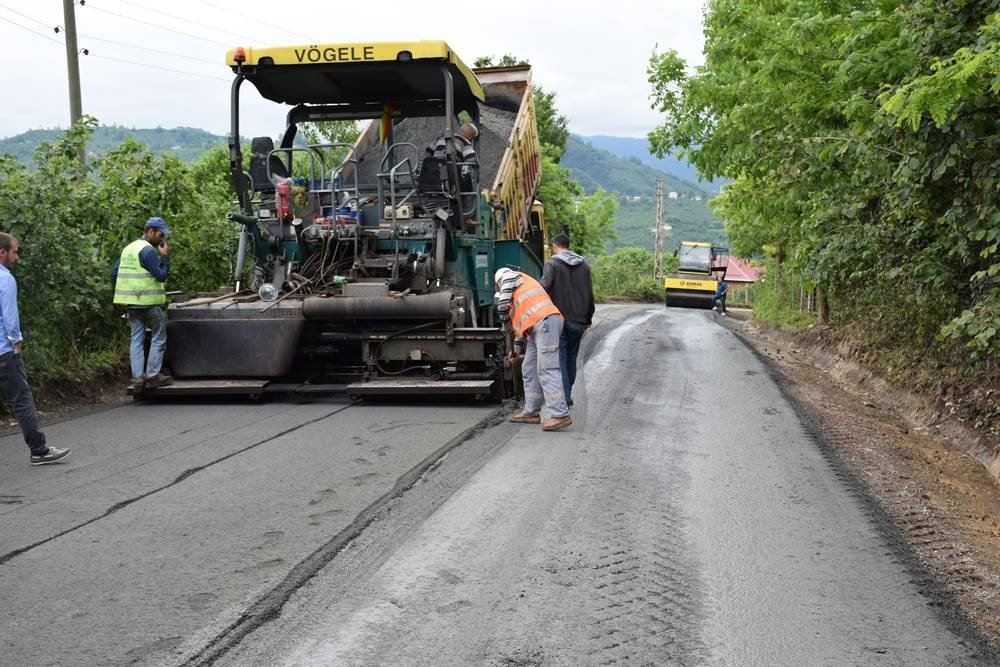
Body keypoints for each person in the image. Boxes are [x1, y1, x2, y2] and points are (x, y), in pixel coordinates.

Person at [0, 232, 71, 465]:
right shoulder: (5, 279)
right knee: (22, 399)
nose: (17, 257)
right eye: (14, 251)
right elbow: (10, 318)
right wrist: (16, 344)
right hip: (4, 352)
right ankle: (39, 450)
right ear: (2, 253)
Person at [495, 267, 571, 431]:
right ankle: (531, 411)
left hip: (545, 322)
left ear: (499, 281)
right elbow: (521, 328)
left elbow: (502, 307)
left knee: (547, 368)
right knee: (529, 368)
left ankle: (560, 414)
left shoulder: (509, 276)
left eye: (498, 288)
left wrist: (506, 325)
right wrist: (514, 350)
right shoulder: (519, 291)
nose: (500, 291)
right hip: (538, 326)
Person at [112, 217, 173, 391]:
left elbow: (115, 273)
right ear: (151, 231)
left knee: (136, 340)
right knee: (158, 337)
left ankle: (138, 379)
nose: (162, 239)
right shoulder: (148, 251)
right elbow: (160, 275)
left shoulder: (128, 249)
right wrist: (165, 257)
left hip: (131, 304)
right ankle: (153, 376)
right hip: (149, 303)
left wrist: (119, 297)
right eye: (161, 234)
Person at [539, 232, 595, 407]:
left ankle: (564, 397)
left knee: (560, 359)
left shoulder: (552, 263)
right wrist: (588, 318)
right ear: (568, 246)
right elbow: (590, 294)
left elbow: (543, 288)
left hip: (559, 319)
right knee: (571, 359)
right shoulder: (584, 264)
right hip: (579, 320)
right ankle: (567, 392)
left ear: (555, 246)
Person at [428, 122, 479, 228]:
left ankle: (437, 210)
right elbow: (472, 159)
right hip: (449, 178)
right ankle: (466, 217)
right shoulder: (464, 142)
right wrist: (467, 172)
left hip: (432, 176)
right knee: (470, 185)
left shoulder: (440, 138)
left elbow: (428, 152)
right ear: (470, 137)